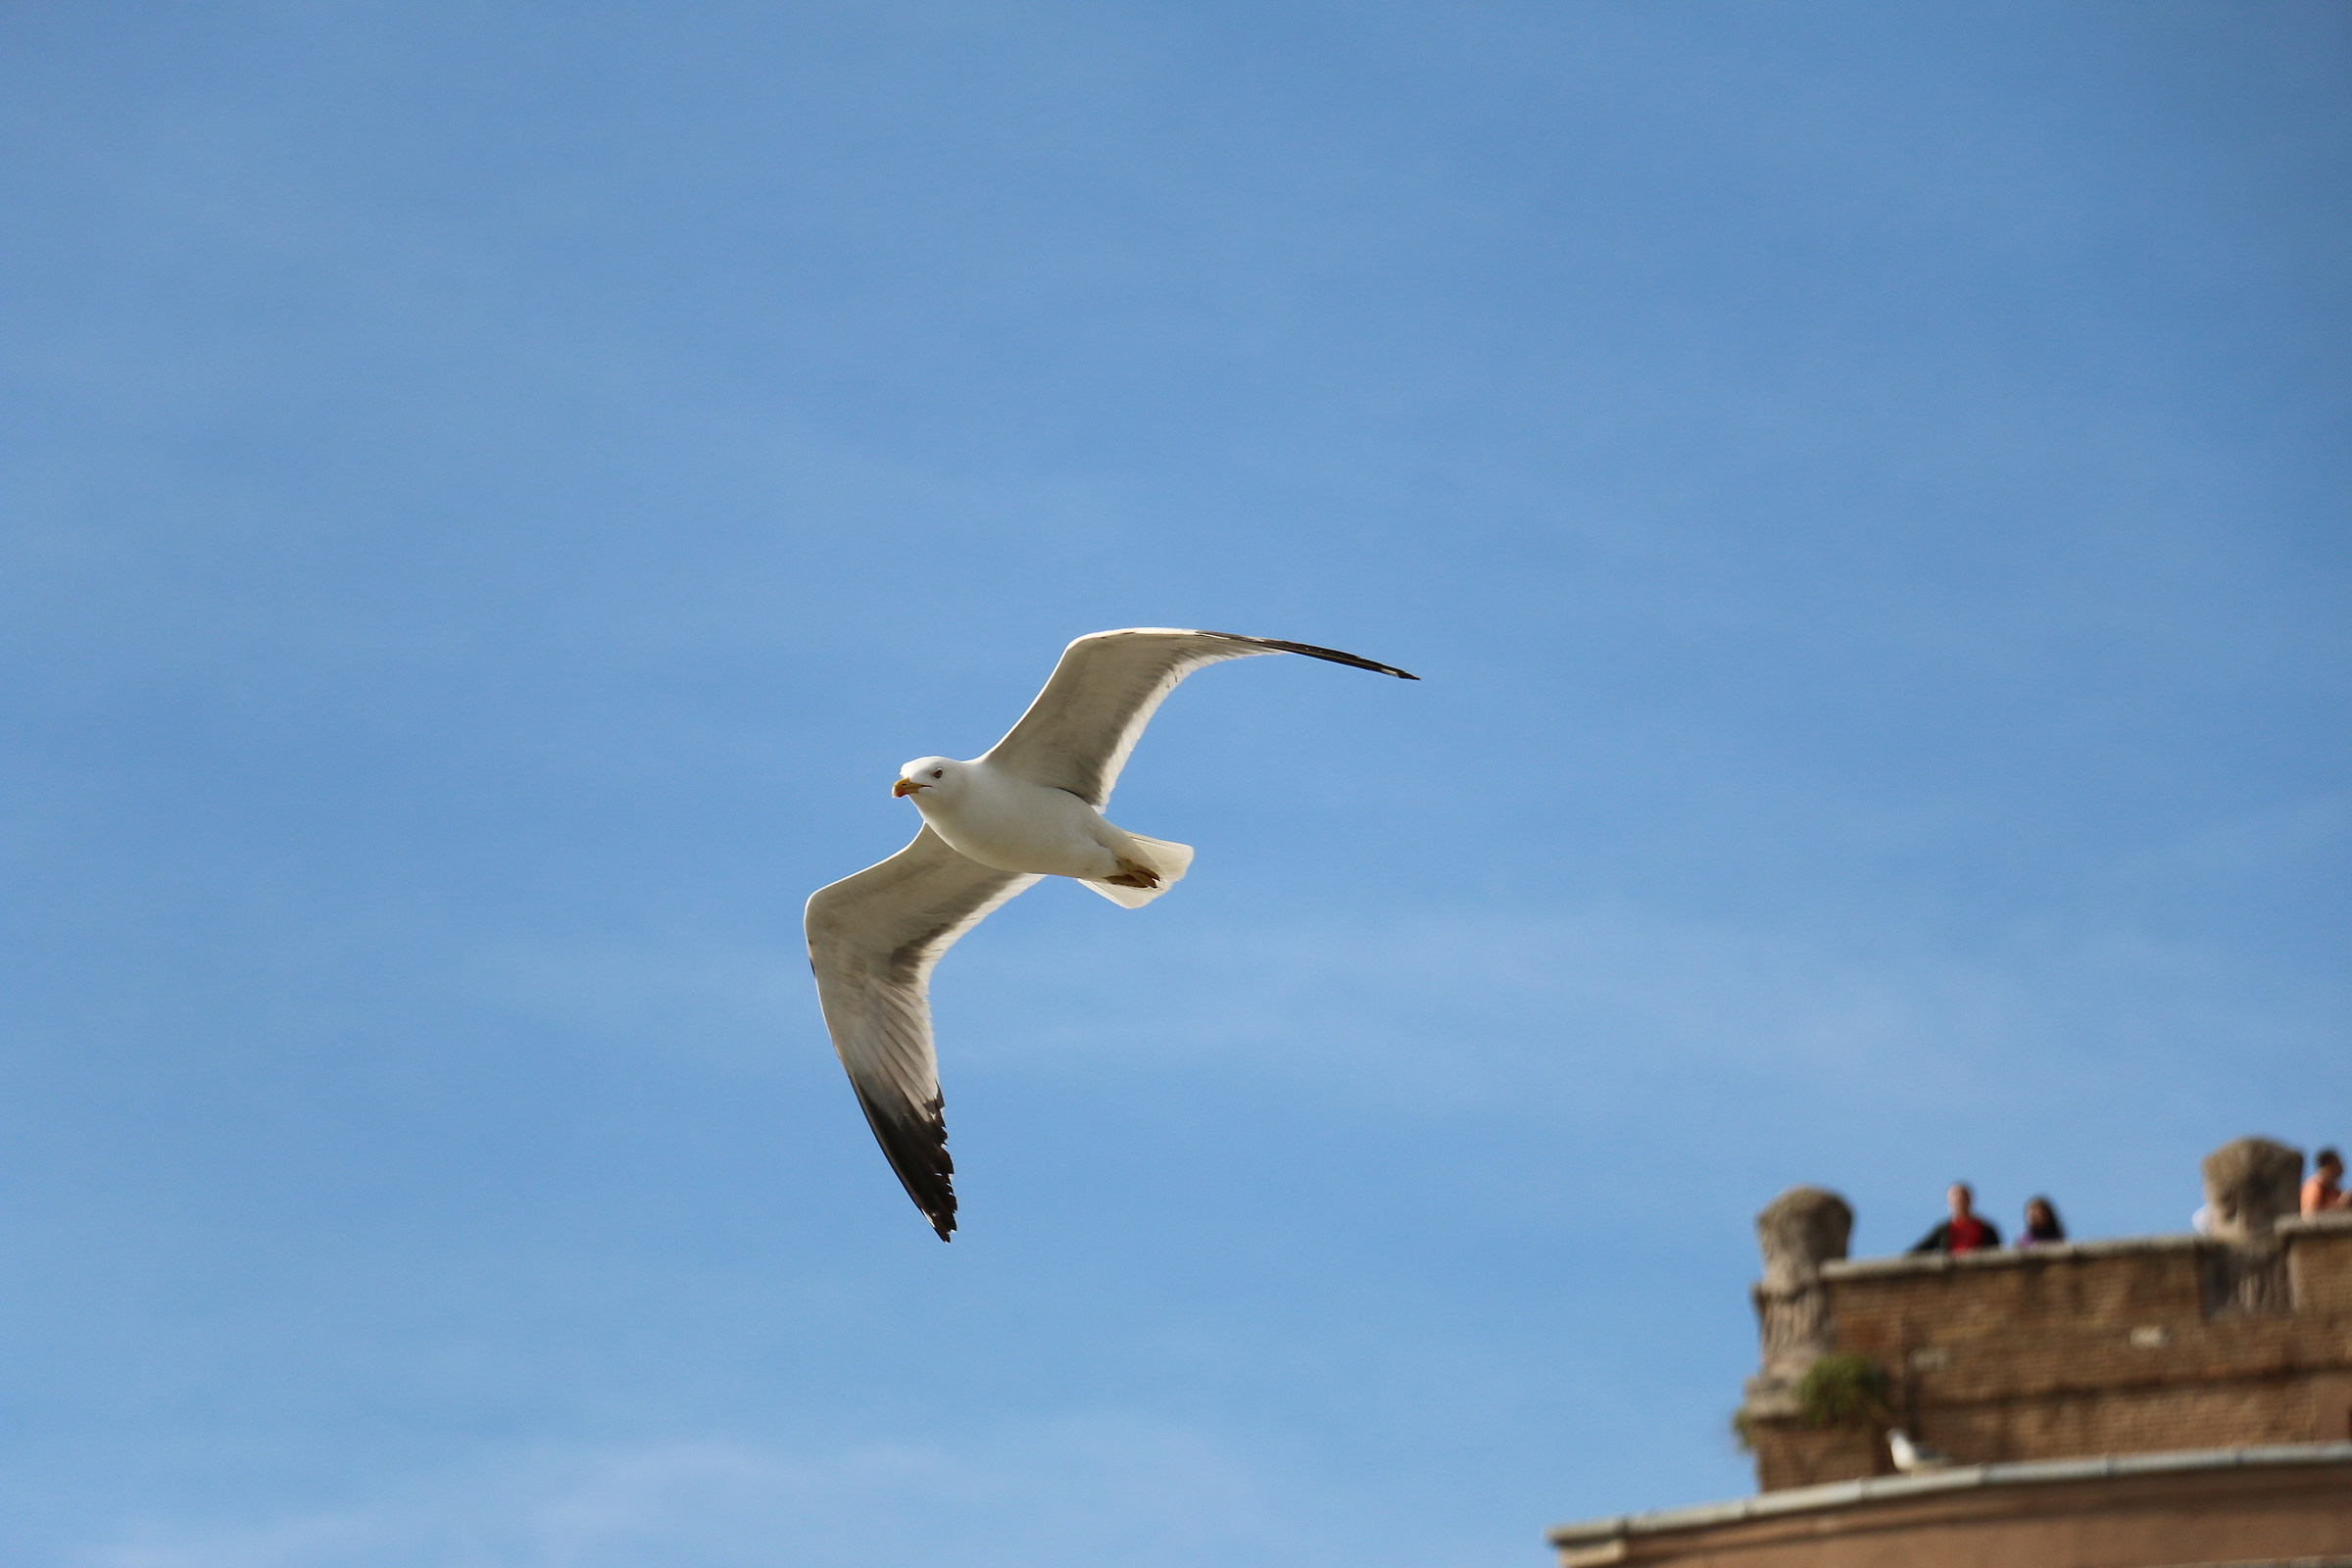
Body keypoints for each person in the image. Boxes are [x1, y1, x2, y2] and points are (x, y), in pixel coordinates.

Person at [1909, 1182, 2001, 1254]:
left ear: (1969, 1200)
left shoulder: (1986, 1229)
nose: (1958, 1201)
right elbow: (1920, 1250)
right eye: (1954, 1198)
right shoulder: (1943, 1230)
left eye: (1962, 1198)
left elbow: (1998, 1255)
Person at [2305, 1149, 2352, 1216]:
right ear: (2328, 1165)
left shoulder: (2335, 1191)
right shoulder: (2314, 1185)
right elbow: (2310, 1215)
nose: (2342, 1166)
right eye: (2338, 1163)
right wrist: (2341, 1205)